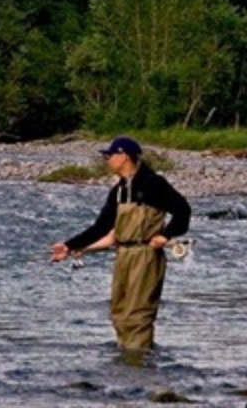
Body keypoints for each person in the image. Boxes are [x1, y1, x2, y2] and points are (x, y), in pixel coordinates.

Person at [50, 136, 191, 353]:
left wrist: (166, 235)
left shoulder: (153, 183)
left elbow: (183, 210)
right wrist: (69, 247)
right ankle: (126, 362)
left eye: (109, 155)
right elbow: (100, 228)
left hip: (145, 255)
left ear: (123, 156)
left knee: (138, 313)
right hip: (123, 254)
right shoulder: (118, 191)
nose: (106, 160)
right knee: (119, 311)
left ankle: (139, 366)